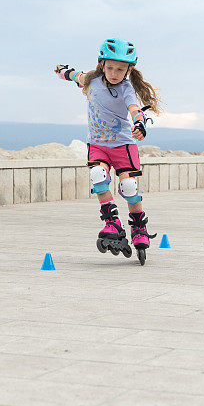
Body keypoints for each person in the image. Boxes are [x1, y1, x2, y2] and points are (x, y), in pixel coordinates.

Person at [54, 38, 163, 264]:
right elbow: (76, 76)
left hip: (123, 145)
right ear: (102, 64)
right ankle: (112, 221)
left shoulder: (126, 90)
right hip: (97, 144)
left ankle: (139, 227)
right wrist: (64, 71)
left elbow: (134, 109)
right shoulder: (92, 81)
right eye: (110, 67)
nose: (114, 73)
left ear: (129, 70)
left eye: (120, 69)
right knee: (98, 176)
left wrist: (140, 124)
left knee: (129, 187)